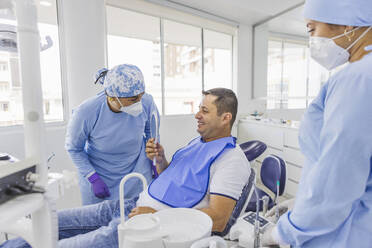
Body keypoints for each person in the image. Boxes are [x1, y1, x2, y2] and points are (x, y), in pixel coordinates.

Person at [1, 88, 250, 248]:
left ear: (226, 117)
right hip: (130, 204)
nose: (197, 114)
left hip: (148, 226)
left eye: (205, 110)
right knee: (45, 223)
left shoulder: (231, 160)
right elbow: (172, 181)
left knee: (53, 245)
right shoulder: (196, 143)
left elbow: (218, 220)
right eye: (198, 108)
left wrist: (155, 217)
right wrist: (161, 160)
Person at [261, 0, 372, 247]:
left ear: (346, 24)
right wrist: (303, 203)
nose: (312, 40)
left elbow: (338, 177)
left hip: (344, 230)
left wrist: (285, 231)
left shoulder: (357, 78)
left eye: (312, 29)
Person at [65, 64, 160, 205]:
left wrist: (155, 162)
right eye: (134, 99)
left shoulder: (146, 101)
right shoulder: (87, 111)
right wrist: (93, 177)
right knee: (98, 222)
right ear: (112, 98)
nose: (139, 102)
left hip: (136, 169)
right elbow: (74, 148)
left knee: (138, 218)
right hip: (100, 174)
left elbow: (151, 133)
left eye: (141, 96)